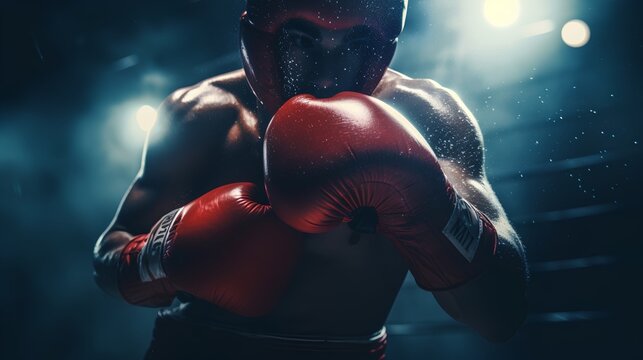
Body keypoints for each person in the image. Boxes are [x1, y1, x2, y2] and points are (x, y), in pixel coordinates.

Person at [93, 0, 528, 358]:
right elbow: (109, 256)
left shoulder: (425, 118)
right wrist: (161, 257)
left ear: (383, 42)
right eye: (301, 39)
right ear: (261, 37)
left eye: (356, 42)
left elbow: (501, 312)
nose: (327, 70)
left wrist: (429, 208)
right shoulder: (203, 115)